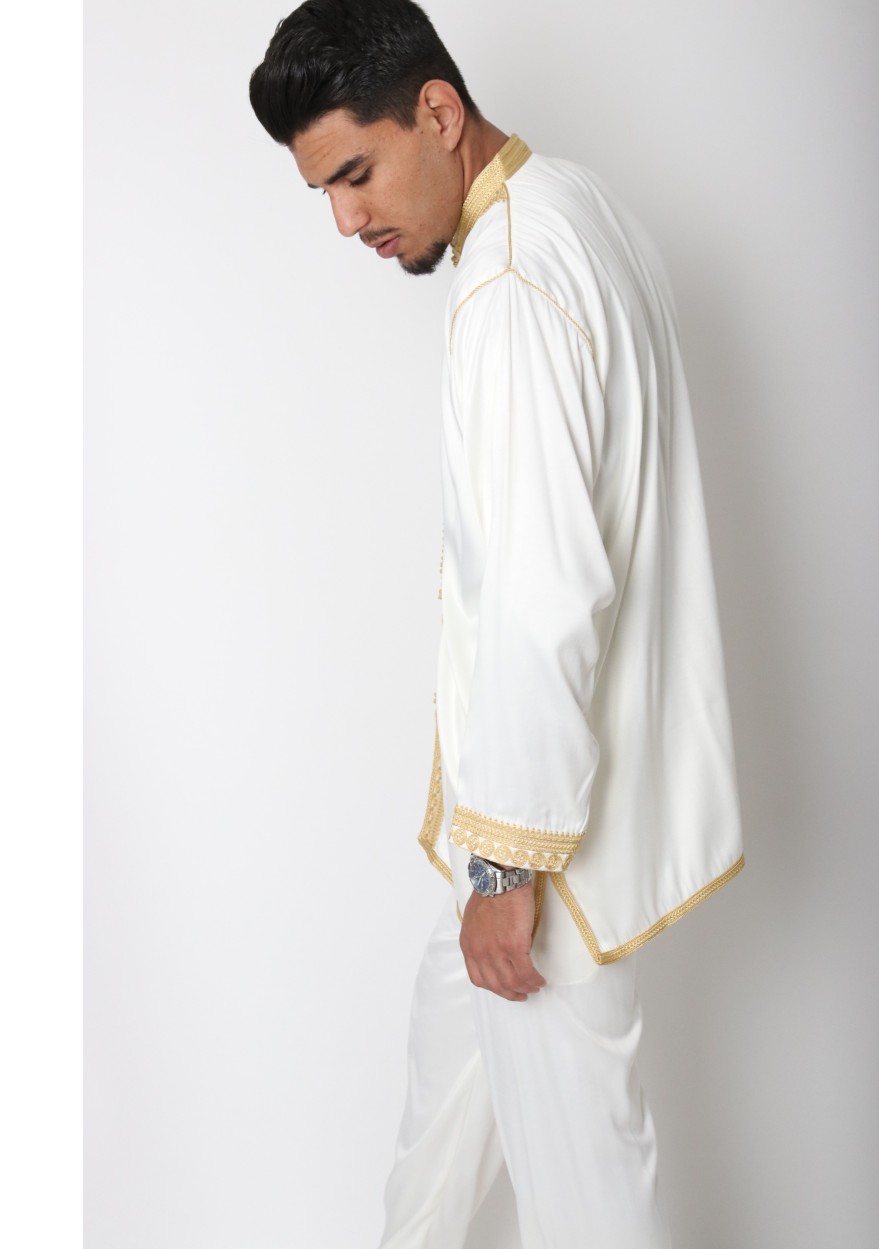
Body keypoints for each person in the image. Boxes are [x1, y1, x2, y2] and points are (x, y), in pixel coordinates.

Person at [249, 3, 745, 1245]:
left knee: (588, 1204)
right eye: (323, 191)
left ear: (436, 111)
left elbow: (541, 591)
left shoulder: (513, 284)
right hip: (524, 817)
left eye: (355, 174)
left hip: (545, 847)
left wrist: (505, 873)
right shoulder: (574, 208)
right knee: (437, 1146)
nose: (347, 221)